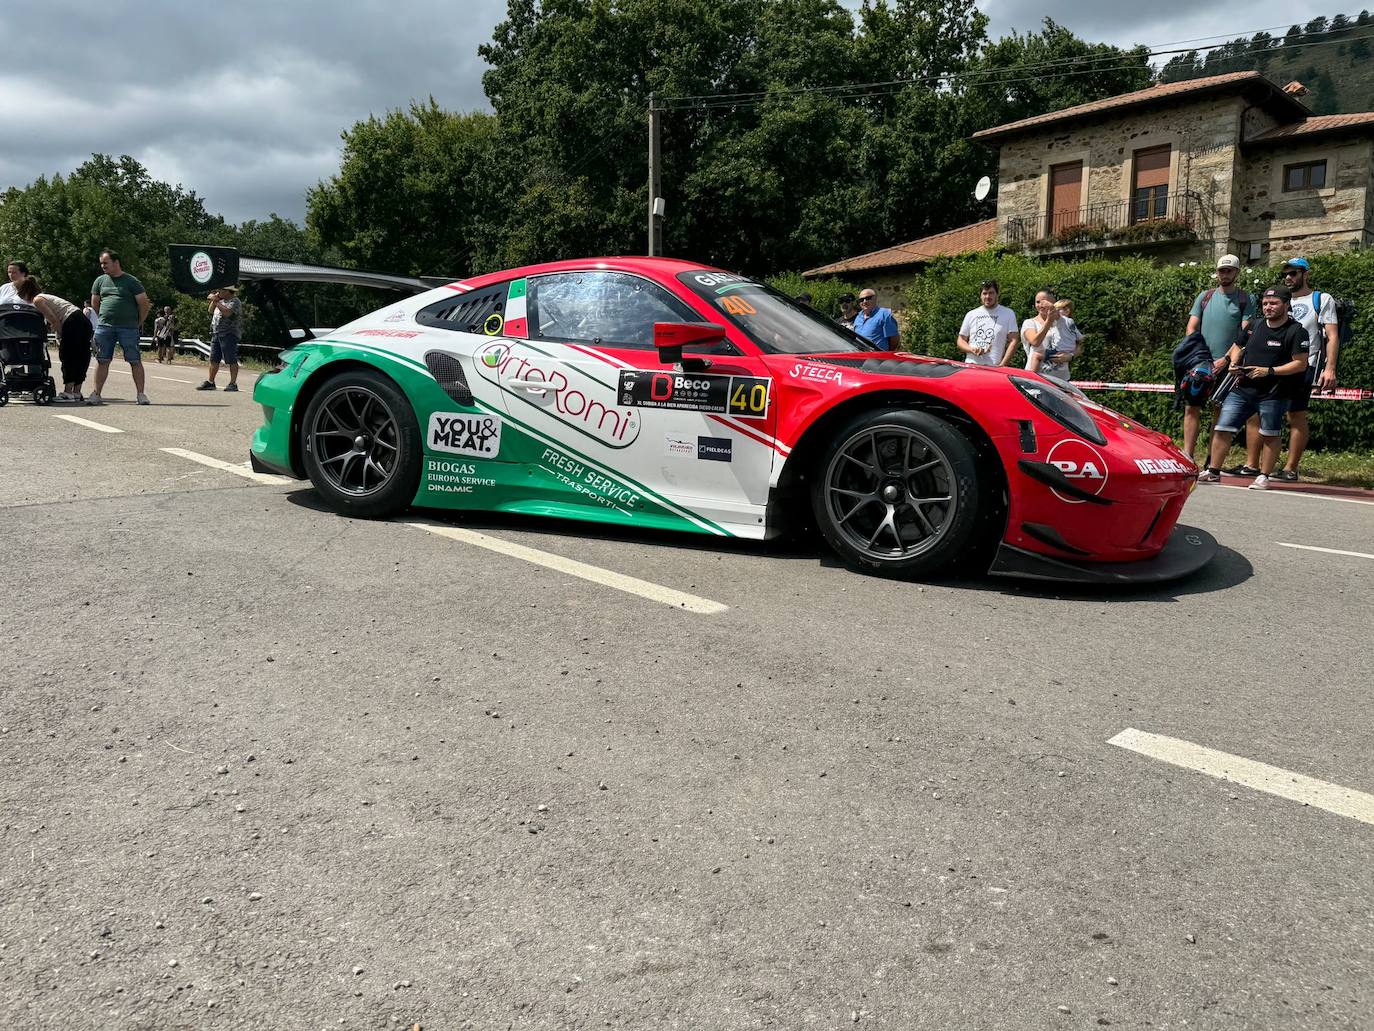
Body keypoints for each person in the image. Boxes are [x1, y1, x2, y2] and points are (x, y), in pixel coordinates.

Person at [1227, 256, 1338, 482]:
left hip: (1302, 366)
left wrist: (1330, 368)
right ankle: (1251, 464)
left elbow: (1332, 336)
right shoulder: (1276, 298)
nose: (1289, 277)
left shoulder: (1321, 299)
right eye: (1286, 274)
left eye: (1294, 273)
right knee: (1255, 412)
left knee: (1295, 415)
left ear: (1305, 274)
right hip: (1266, 365)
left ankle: (1290, 468)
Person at [1198, 287, 1308, 490]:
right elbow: (1237, 345)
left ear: (1286, 305)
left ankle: (1263, 476)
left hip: (1273, 393)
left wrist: (1269, 371)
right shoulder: (1254, 325)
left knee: (1270, 434)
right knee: (1223, 428)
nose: (1268, 307)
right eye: (1265, 303)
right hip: (1242, 389)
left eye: (1273, 303)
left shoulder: (1296, 330)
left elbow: (1301, 363)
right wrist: (1234, 362)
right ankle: (1213, 471)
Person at [1180, 255, 1256, 461]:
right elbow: (1191, 327)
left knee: (1219, 410)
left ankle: (1212, 459)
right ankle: (1188, 454)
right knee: (1191, 408)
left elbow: (1244, 335)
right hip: (1200, 363)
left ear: (1237, 273)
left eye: (1229, 271)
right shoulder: (1205, 296)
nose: (1224, 274)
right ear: (1217, 272)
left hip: (1227, 366)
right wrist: (1197, 355)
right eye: (1222, 270)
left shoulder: (1245, 299)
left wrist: (1226, 359)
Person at [88, 248, 151, 406]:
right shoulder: (100, 281)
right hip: (105, 327)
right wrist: (103, 317)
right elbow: (95, 302)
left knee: (135, 360)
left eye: (106, 263)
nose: (103, 266)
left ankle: (141, 394)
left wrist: (138, 322)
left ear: (116, 263)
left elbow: (144, 304)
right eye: (101, 263)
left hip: (128, 328)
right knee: (102, 360)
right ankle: (96, 394)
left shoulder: (131, 281)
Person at [17, 277, 92, 401]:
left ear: (25, 292)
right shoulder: (46, 296)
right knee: (81, 356)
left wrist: (60, 334)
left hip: (71, 321)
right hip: (82, 320)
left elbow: (53, 319)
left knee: (67, 356)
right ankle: (76, 392)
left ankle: (68, 392)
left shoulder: (38, 300)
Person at [1020, 288, 1079, 383]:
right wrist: (1049, 321)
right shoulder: (1029, 323)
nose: (1040, 305)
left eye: (1044, 301)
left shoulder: (1064, 322)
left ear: (1054, 304)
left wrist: (1071, 356)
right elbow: (1035, 342)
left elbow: (1080, 343)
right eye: (1037, 302)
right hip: (1037, 379)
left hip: (1061, 379)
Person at [956, 279, 1018, 367]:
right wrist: (971, 349)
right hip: (971, 365)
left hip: (994, 367)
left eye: (991, 293)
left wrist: (1003, 364)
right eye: (984, 293)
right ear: (980, 295)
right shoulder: (971, 314)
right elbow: (961, 340)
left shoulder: (1008, 313)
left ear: (997, 294)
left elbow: (1014, 340)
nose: (988, 296)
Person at [198, 286, 243, 391]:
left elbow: (227, 313)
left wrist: (216, 301)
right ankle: (211, 381)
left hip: (229, 333)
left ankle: (233, 383)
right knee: (214, 358)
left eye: (220, 291)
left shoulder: (234, 301)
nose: (218, 292)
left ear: (227, 291)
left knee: (231, 358)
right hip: (216, 332)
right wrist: (215, 301)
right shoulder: (220, 301)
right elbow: (210, 310)